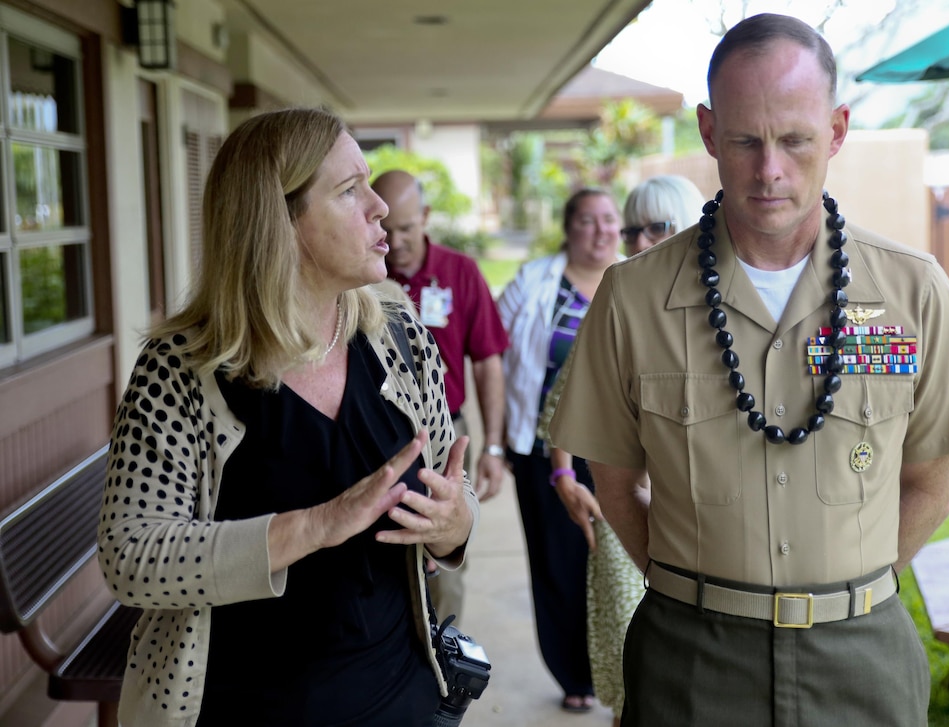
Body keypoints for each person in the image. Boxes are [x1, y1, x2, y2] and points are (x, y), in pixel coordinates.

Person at [549, 14, 949, 727]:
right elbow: (615, 483)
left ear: (837, 130)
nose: (770, 169)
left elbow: (934, 484)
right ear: (708, 132)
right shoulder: (633, 298)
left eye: (795, 139)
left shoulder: (911, 293)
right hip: (690, 661)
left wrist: (848, 590)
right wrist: (695, 596)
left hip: (862, 661)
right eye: (744, 140)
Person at [97, 107, 478, 727]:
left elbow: (447, 494)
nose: (380, 207)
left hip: (401, 696)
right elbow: (131, 558)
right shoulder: (181, 369)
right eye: (350, 191)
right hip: (236, 705)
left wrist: (454, 522)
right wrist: (315, 526)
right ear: (280, 221)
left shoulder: (399, 335)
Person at [538, 174, 705, 726]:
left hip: (711, 531)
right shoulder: (617, 312)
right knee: (636, 675)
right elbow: (563, 407)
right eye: (632, 230)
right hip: (626, 523)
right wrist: (566, 478)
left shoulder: (733, 318)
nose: (637, 242)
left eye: (656, 227)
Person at [498, 188, 623, 714]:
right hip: (541, 446)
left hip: (616, 450)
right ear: (569, 228)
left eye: (610, 220)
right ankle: (573, 672)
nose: (601, 231)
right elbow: (489, 345)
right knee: (557, 560)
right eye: (588, 221)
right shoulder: (533, 282)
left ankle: (615, 667)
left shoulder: (633, 279)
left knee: (614, 563)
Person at [372, 169, 509, 625]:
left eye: (406, 228)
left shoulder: (460, 272)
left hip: (445, 433)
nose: (396, 240)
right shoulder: (361, 276)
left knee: (445, 554)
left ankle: (445, 664)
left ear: (426, 216)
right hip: (377, 436)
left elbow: (488, 361)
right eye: (386, 228)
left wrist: (492, 446)